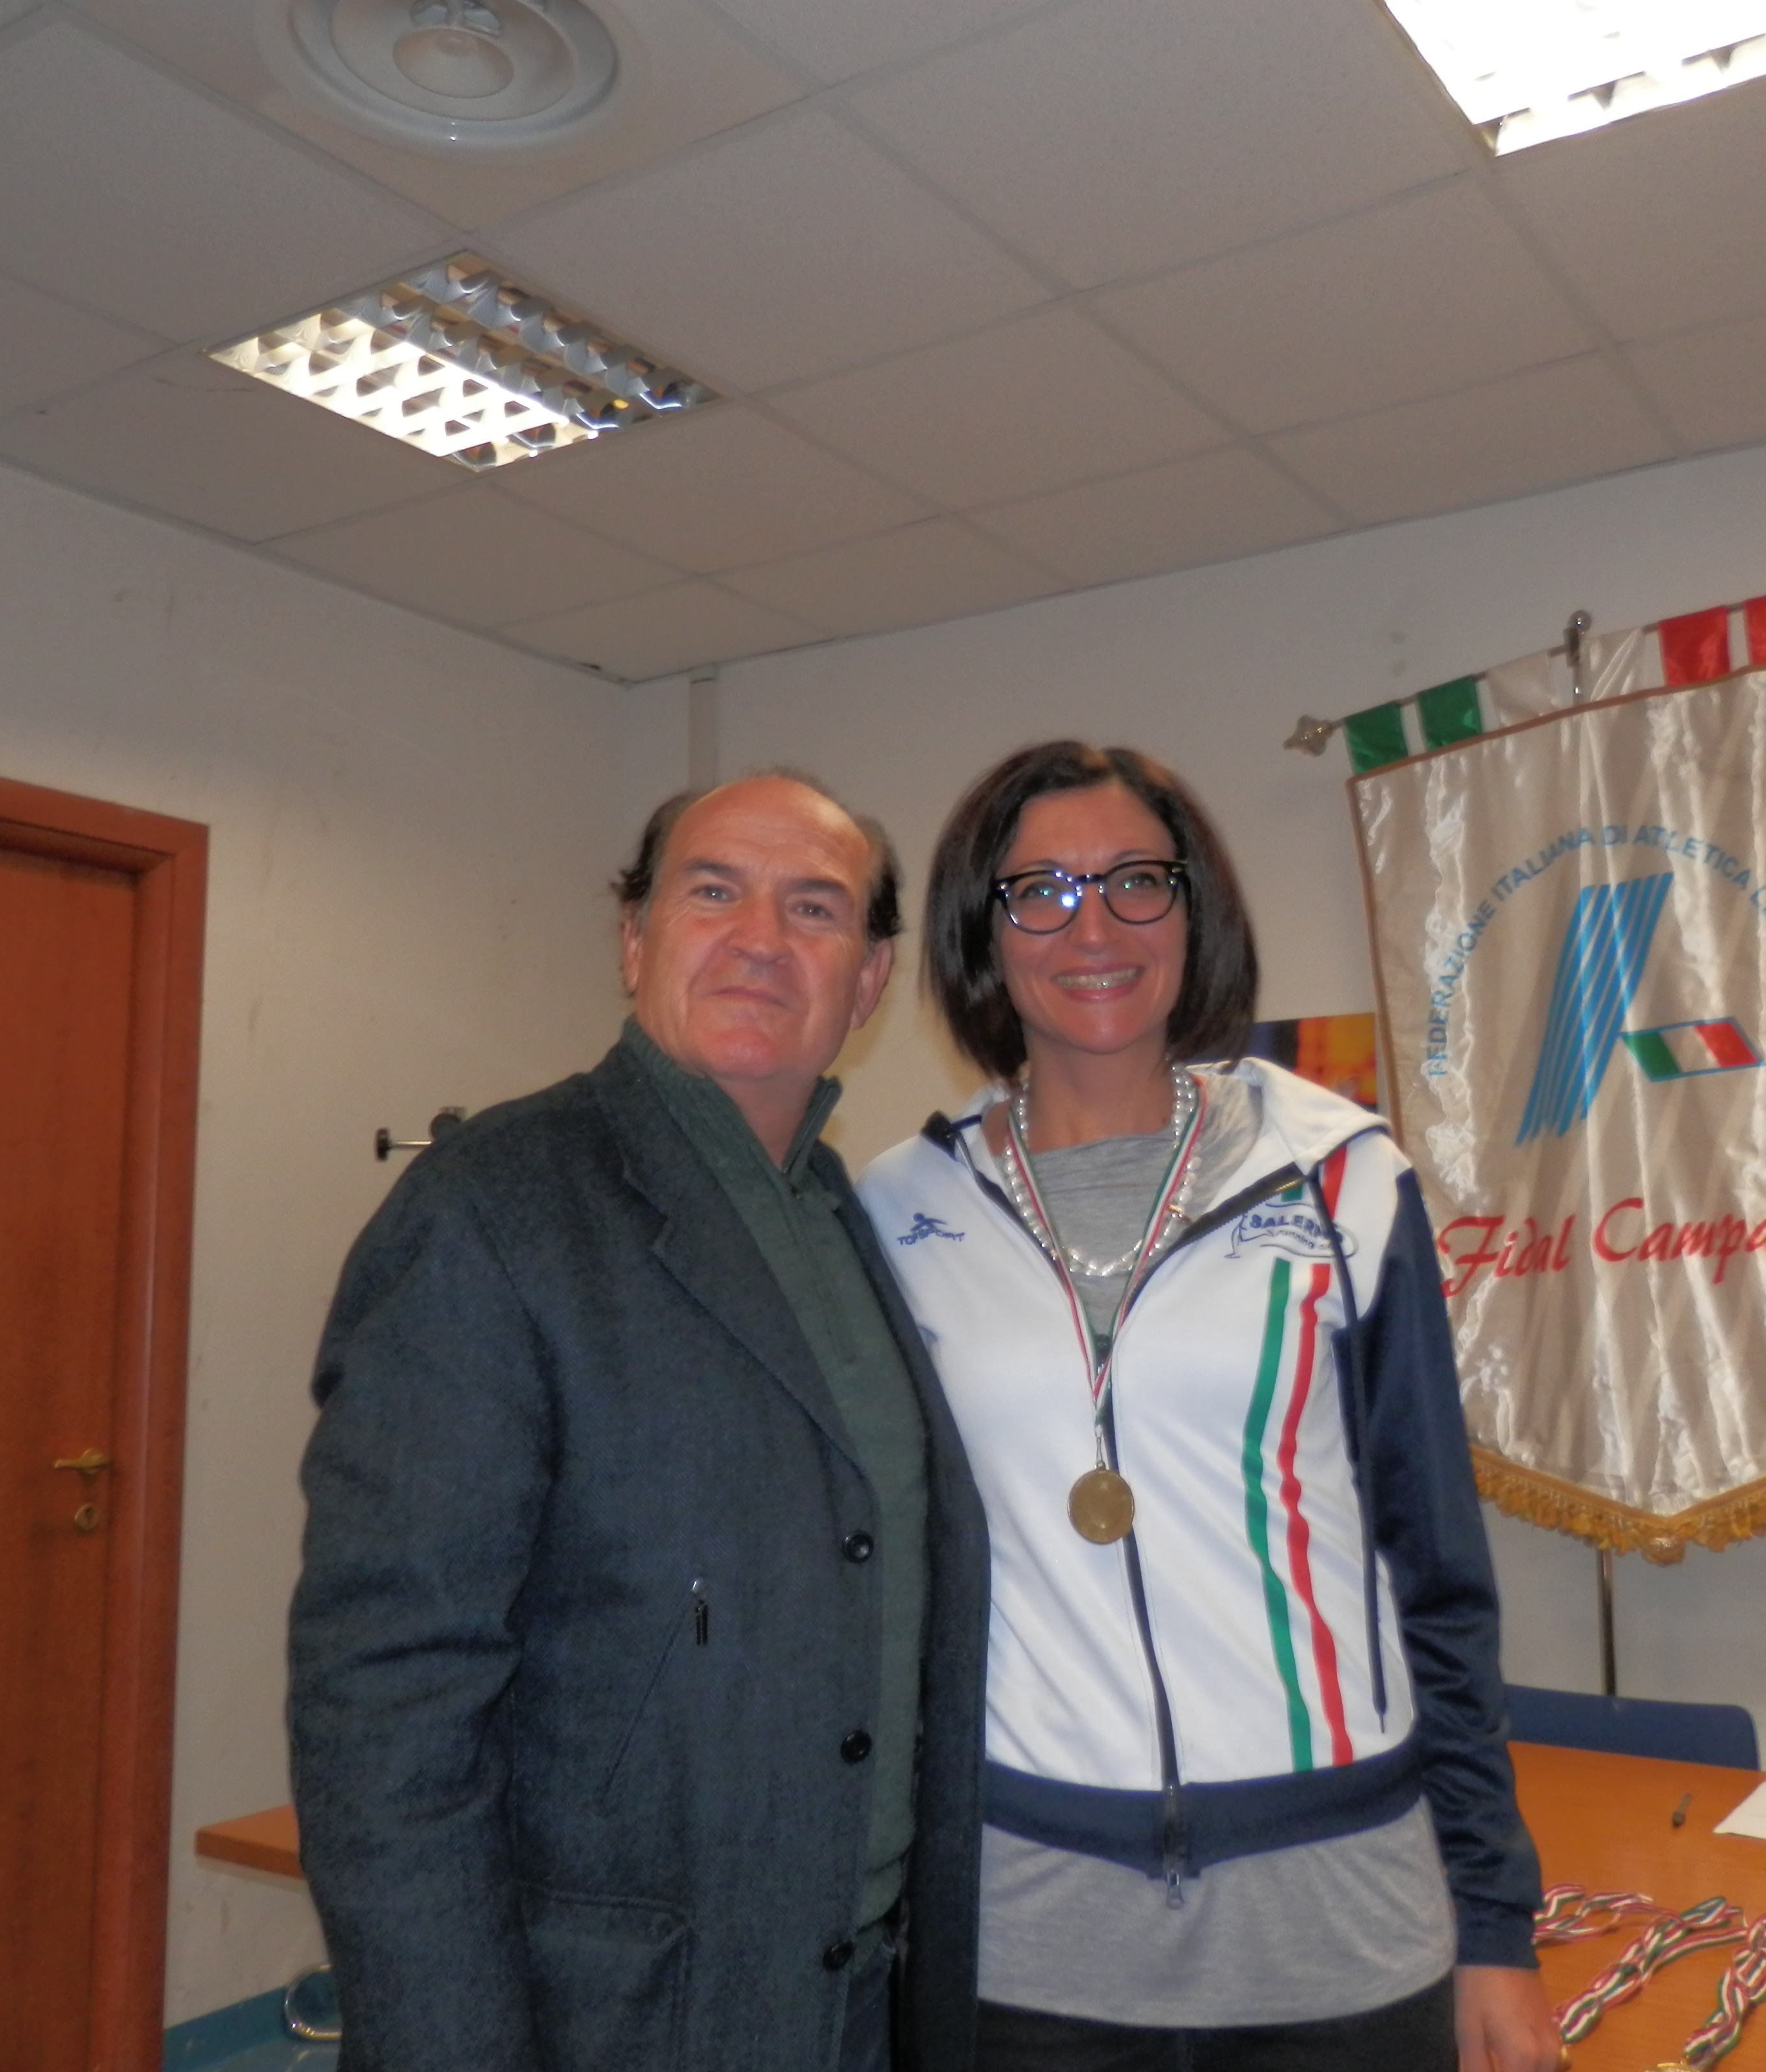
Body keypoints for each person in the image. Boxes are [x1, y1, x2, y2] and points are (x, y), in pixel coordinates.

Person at [858, 743, 1557, 2072]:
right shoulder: (898, 1209)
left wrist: (1493, 1919)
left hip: (1336, 1908)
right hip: (1029, 1927)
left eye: (1136, 880)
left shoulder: (1342, 1178)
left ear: (1196, 910)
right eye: (1039, 891)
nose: (1093, 928)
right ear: (980, 933)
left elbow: (1435, 1575)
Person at [288, 774, 990, 2072]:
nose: (760, 940)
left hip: (847, 1992)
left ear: (869, 978)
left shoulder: (844, 1219)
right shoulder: (494, 1209)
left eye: (814, 908)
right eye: (713, 891)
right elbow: (386, 1702)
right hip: (614, 2010)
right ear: (633, 939)